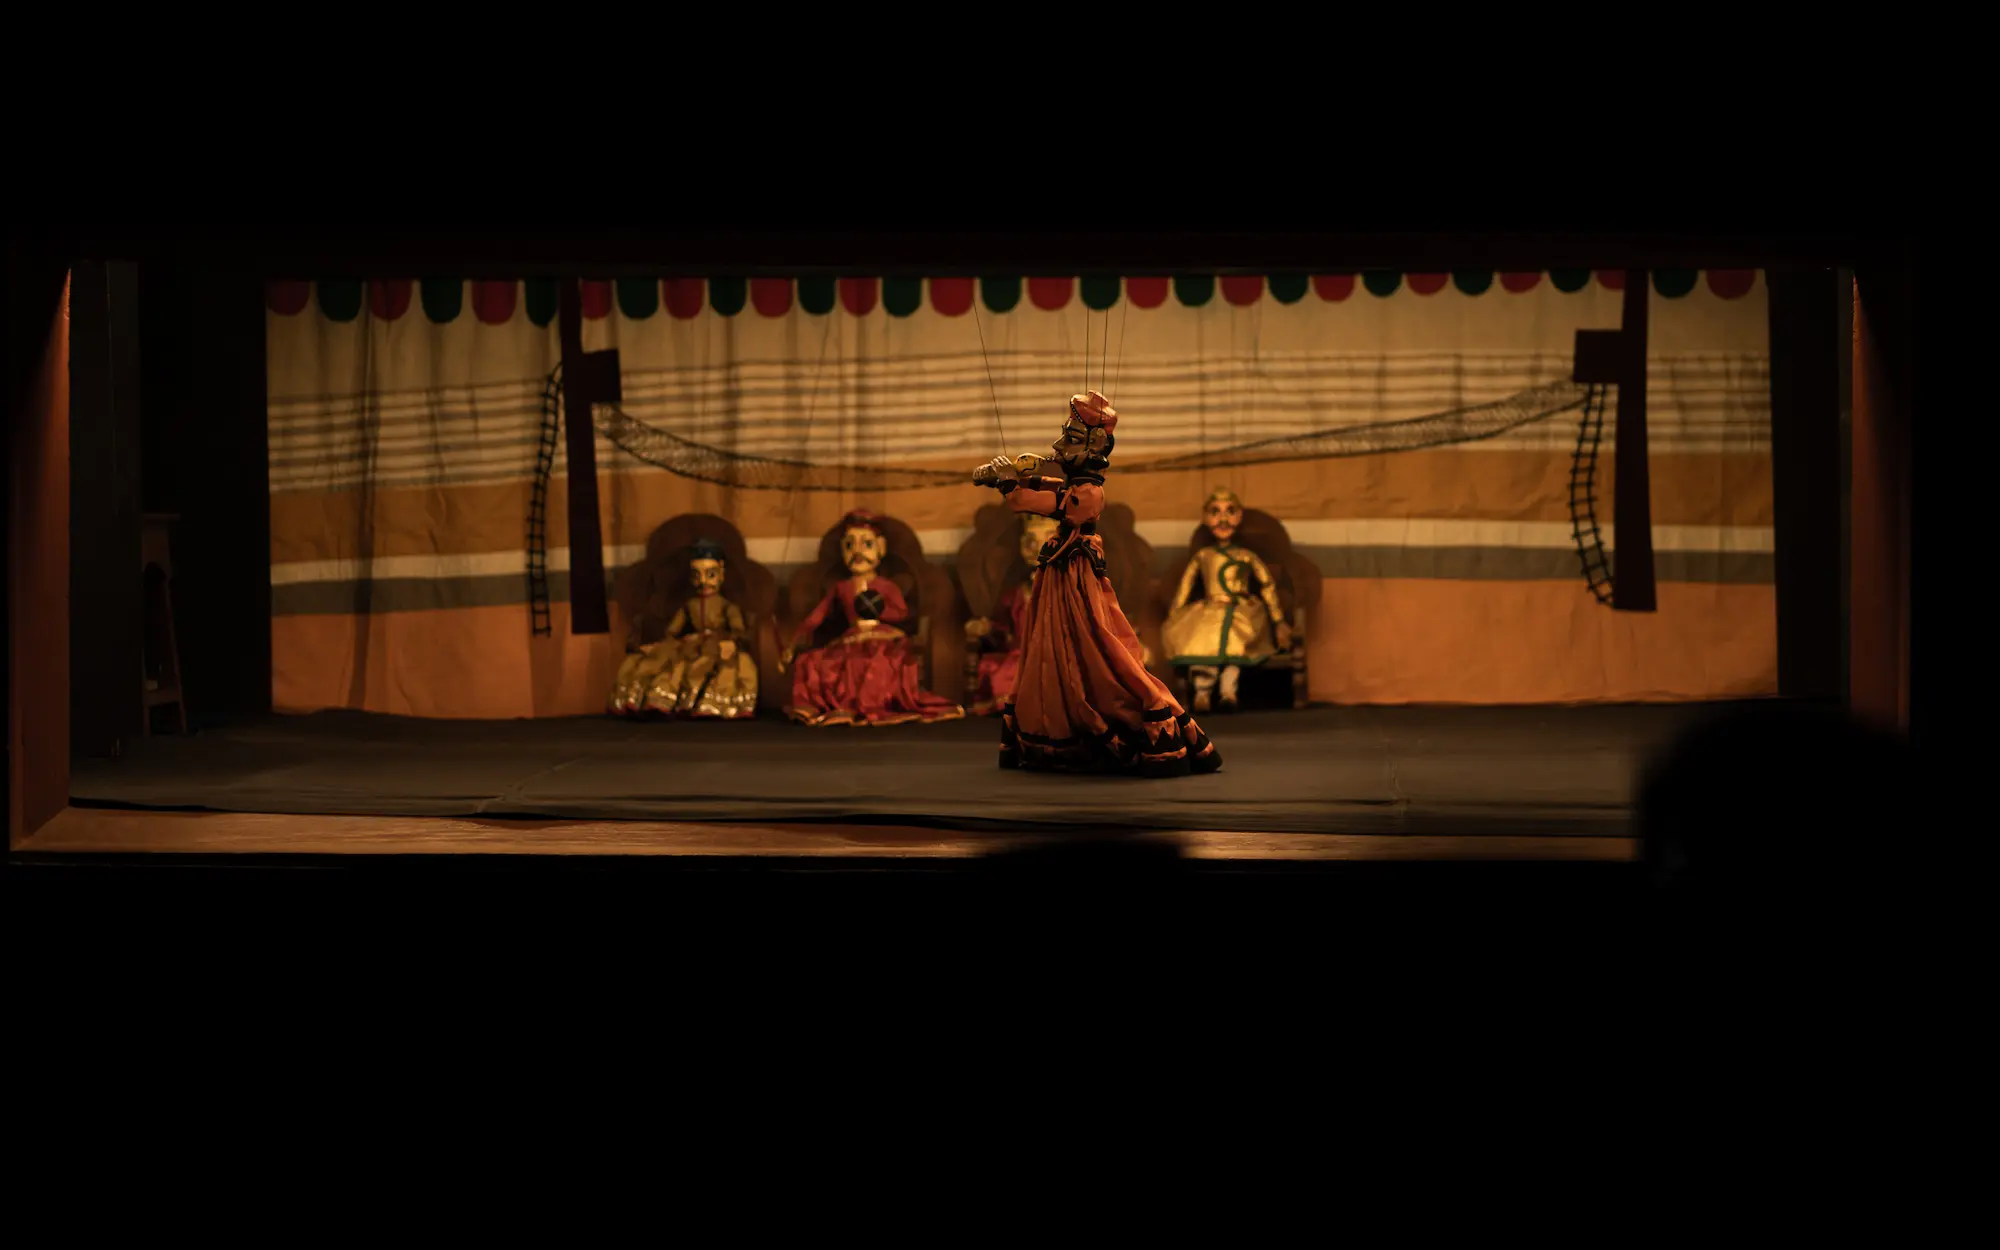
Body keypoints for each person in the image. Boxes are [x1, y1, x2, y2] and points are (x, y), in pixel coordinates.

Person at [970, 390, 1220, 775]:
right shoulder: (1077, 483)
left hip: (1075, 579)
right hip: (1062, 574)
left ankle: (1117, 715)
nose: (1057, 445)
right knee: (1060, 642)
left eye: (1069, 439)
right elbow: (1050, 488)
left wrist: (1009, 484)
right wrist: (1015, 475)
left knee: (1095, 641)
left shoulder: (1089, 492)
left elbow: (1034, 503)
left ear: (1093, 445)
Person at [778, 511, 965, 727]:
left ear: (881, 549)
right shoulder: (842, 587)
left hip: (884, 636)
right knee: (818, 661)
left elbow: (901, 613)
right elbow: (818, 615)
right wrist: (796, 638)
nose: (857, 552)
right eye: (850, 545)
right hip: (852, 636)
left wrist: (877, 609)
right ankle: (842, 707)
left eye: (866, 545)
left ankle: (874, 706)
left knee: (878, 659)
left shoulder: (886, 586)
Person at [1161, 487, 1293, 713]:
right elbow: (1185, 586)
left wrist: (1278, 620)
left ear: (1239, 517)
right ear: (1206, 517)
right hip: (1210, 609)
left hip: (1241, 611)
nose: (1223, 519)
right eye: (1215, 512)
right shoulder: (1203, 556)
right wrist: (1175, 615)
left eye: (1230, 512)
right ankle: (1203, 691)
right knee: (1200, 642)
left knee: (1236, 644)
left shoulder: (1246, 556)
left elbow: (1267, 586)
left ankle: (1228, 691)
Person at [609, 538, 758, 718]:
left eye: (710, 575)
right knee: (662, 661)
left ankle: (710, 703)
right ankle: (654, 700)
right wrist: (667, 644)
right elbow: (672, 631)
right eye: (696, 575)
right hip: (692, 644)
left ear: (722, 574)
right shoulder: (689, 605)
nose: (703, 582)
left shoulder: (727, 606)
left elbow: (738, 630)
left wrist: (729, 640)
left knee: (722, 667)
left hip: (716, 645)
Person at [965, 515, 1060, 716]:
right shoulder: (1018, 593)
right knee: (1008, 668)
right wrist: (986, 628)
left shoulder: (1077, 588)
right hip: (1024, 654)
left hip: (1064, 652)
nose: (1039, 546)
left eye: (1048, 538)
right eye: (1032, 539)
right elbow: (1004, 628)